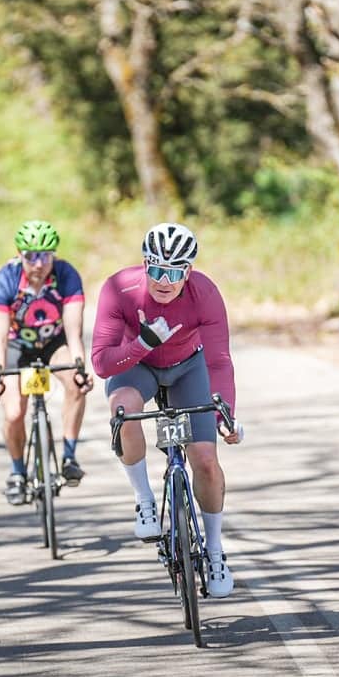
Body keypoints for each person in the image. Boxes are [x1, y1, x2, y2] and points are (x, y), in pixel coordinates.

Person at [90, 222, 244, 599]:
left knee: (205, 460)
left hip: (188, 367)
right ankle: (144, 500)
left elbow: (219, 361)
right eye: (156, 269)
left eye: (174, 273)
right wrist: (143, 343)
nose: (163, 280)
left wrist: (225, 414)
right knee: (123, 409)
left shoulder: (205, 293)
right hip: (136, 365)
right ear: (145, 264)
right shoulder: (119, 289)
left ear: (188, 272)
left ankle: (214, 550)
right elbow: (101, 363)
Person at [0, 220, 94, 504]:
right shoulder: (5, 280)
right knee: (13, 413)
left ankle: (69, 456)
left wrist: (80, 366)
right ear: (19, 254)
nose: (38, 263)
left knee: (76, 383)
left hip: (53, 343)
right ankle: (17, 472)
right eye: (31, 256)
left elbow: (74, 331)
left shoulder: (66, 274)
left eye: (45, 255)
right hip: (17, 346)